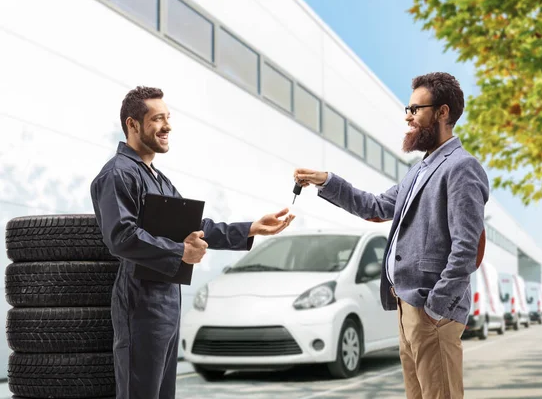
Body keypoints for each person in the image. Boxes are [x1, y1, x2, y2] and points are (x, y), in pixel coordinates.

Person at [90, 86, 294, 399]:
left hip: (167, 300)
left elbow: (196, 227)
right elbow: (122, 237)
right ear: (132, 125)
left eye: (168, 118)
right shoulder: (118, 174)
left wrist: (251, 229)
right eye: (158, 119)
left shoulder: (159, 179)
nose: (168, 126)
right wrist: (180, 252)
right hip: (139, 302)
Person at [294, 72, 489, 398]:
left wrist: (436, 306)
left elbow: (466, 248)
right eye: (407, 108)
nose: (407, 116)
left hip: (430, 310)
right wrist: (327, 181)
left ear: (442, 112)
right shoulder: (419, 170)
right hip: (407, 306)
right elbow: (375, 205)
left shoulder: (461, 167)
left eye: (415, 109)